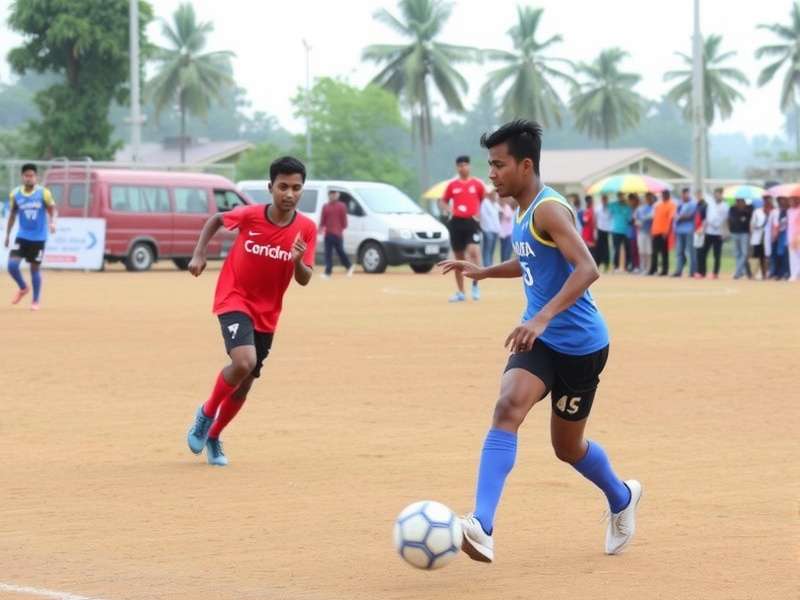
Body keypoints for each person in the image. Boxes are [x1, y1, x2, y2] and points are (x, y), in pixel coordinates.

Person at [439, 120, 641, 563]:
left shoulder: (550, 209)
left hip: (582, 346)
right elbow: (532, 258)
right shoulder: (525, 211)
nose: (490, 173)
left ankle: (622, 496)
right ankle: (482, 525)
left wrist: (545, 318)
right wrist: (486, 271)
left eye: (498, 164)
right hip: (540, 339)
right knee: (508, 405)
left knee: (567, 448)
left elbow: (587, 268)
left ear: (525, 165)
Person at [185, 156, 317, 466]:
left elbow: (305, 279)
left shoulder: (307, 229)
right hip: (234, 297)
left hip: (267, 313)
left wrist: (298, 261)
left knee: (245, 382)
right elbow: (217, 219)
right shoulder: (251, 216)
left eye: (296, 188)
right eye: (282, 187)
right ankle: (205, 415)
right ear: (270, 188)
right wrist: (199, 253)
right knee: (244, 361)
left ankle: (215, 436)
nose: (289, 194)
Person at [4, 163, 57, 311]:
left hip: (39, 239)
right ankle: (23, 287)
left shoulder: (44, 193)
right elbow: (12, 215)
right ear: (22, 177)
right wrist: (8, 235)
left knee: (34, 269)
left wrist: (53, 223)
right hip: (22, 236)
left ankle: (35, 300)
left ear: (36, 177)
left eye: (31, 176)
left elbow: (53, 210)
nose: (29, 178)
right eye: (26, 176)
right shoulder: (15, 194)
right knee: (12, 266)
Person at [440, 155, 485, 302]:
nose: (463, 167)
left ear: (469, 166)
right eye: (460, 165)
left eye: (465, 164)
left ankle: (475, 284)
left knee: (474, 252)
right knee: (458, 259)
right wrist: (450, 210)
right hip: (456, 223)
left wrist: (477, 214)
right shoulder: (452, 185)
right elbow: (443, 201)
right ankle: (460, 292)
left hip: (471, 222)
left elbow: (481, 199)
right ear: (457, 167)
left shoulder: (477, 184)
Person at [319, 190, 354, 279]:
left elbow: (344, 221)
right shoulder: (325, 206)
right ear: (329, 196)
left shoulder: (342, 206)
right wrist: (320, 229)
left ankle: (349, 266)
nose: (333, 196)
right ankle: (328, 272)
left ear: (337, 196)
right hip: (328, 234)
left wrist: (340, 229)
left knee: (340, 252)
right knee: (328, 253)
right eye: (331, 195)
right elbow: (323, 220)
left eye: (335, 195)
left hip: (338, 234)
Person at [700, 188, 728, 279]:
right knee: (703, 252)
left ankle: (715, 273)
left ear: (721, 194)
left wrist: (725, 232)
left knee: (717, 254)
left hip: (718, 233)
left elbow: (725, 220)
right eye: (715, 194)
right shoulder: (710, 205)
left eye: (718, 194)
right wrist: (703, 230)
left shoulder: (725, 206)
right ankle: (702, 272)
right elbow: (707, 219)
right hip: (709, 232)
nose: (716, 196)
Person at [649, 189, 676, 276]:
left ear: (668, 196)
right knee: (654, 251)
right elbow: (655, 219)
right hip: (655, 231)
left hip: (664, 232)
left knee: (664, 252)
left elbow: (670, 219)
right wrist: (652, 230)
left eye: (665, 195)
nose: (664, 196)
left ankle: (664, 270)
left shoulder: (672, 205)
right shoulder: (658, 206)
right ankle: (653, 269)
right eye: (663, 195)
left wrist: (666, 231)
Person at [672, 188, 697, 277]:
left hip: (689, 230)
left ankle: (692, 271)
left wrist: (679, 217)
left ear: (689, 194)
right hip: (679, 230)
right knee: (679, 251)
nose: (684, 196)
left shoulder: (693, 204)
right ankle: (678, 270)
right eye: (683, 194)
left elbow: (690, 216)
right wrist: (678, 217)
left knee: (690, 251)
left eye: (686, 194)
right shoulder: (679, 204)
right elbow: (675, 215)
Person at [729, 197, 752, 280]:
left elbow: (749, 219)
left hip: (744, 233)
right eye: (738, 201)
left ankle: (737, 272)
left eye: (742, 201)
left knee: (744, 253)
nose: (740, 203)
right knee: (737, 253)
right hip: (735, 232)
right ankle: (740, 272)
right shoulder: (732, 209)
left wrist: (744, 212)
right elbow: (733, 219)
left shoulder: (749, 209)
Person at [609, 192, 631, 273]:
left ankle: (627, 266)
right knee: (616, 249)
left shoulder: (627, 207)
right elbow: (609, 209)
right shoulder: (614, 205)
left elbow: (629, 219)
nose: (621, 198)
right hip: (616, 230)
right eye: (619, 196)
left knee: (627, 249)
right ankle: (616, 266)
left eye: (622, 196)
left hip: (625, 230)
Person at [480, 188, 502, 267]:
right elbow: (483, 216)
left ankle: (490, 265)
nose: (495, 195)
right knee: (487, 249)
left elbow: (500, 212)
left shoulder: (496, 204)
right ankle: (487, 266)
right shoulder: (485, 203)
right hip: (487, 229)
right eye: (494, 194)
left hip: (495, 229)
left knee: (492, 249)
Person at [749, 197, 769, 280]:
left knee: (764, 256)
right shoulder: (756, 212)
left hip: (766, 237)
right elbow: (752, 224)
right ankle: (755, 273)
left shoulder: (769, 212)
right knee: (756, 255)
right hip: (757, 237)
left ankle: (764, 273)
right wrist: (752, 233)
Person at [634, 193, 654, 275]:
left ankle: (648, 269)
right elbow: (635, 219)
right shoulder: (639, 209)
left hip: (649, 232)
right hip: (641, 232)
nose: (647, 200)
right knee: (641, 251)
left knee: (648, 251)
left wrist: (643, 219)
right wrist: (638, 223)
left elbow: (652, 217)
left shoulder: (652, 208)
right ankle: (642, 268)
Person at [595, 195, 612, 272]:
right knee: (599, 248)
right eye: (603, 199)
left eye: (605, 199)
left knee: (606, 248)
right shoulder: (598, 208)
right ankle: (597, 264)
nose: (604, 201)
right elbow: (595, 219)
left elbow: (611, 218)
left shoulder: (610, 208)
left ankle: (606, 264)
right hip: (600, 229)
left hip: (607, 230)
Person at [498, 196, 515, 262]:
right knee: (505, 253)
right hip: (507, 233)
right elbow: (508, 217)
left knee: (505, 252)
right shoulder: (505, 207)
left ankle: (503, 267)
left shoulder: (507, 207)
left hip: (507, 233)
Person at [789, 196, 800, 281]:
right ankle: (794, 274)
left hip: (798, 235)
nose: (791, 201)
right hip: (790, 235)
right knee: (793, 256)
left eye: (793, 199)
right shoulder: (790, 210)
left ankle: (796, 274)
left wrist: (797, 236)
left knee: (798, 255)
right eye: (790, 200)